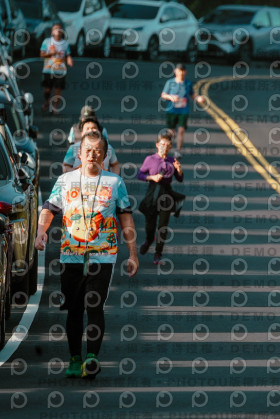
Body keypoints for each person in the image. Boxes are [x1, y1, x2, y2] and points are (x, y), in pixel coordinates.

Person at [35, 131, 139, 380]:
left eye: (97, 151)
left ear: (104, 155)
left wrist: (133, 254)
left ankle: (92, 357)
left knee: (94, 304)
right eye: (87, 151)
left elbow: (126, 218)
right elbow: (49, 209)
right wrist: (40, 231)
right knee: (74, 308)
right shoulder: (65, 180)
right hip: (71, 254)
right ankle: (75, 359)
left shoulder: (115, 182)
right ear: (79, 154)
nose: (92, 155)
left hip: (103, 255)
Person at [137, 132, 185, 265]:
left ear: (170, 147)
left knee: (163, 226)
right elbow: (139, 174)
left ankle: (158, 253)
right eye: (162, 144)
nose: (165, 147)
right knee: (150, 225)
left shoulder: (172, 160)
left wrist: (179, 170)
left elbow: (180, 179)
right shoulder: (150, 159)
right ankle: (149, 240)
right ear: (157, 145)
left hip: (166, 194)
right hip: (153, 193)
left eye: (168, 145)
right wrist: (151, 177)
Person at [160, 63, 205, 159]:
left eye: (183, 71)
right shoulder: (170, 82)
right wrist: (171, 97)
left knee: (181, 131)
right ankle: (166, 149)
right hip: (171, 110)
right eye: (179, 71)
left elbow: (192, 95)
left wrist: (198, 98)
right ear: (175, 71)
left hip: (183, 111)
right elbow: (163, 95)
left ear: (185, 72)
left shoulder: (188, 83)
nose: (181, 73)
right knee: (171, 132)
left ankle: (178, 151)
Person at [40, 22, 73, 114]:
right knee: (47, 90)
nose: (57, 30)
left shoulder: (65, 43)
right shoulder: (47, 42)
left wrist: (69, 60)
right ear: (52, 32)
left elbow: (68, 55)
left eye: (59, 28)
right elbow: (41, 55)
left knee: (58, 90)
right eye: (55, 28)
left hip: (60, 71)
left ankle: (54, 108)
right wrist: (51, 53)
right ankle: (47, 102)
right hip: (48, 70)